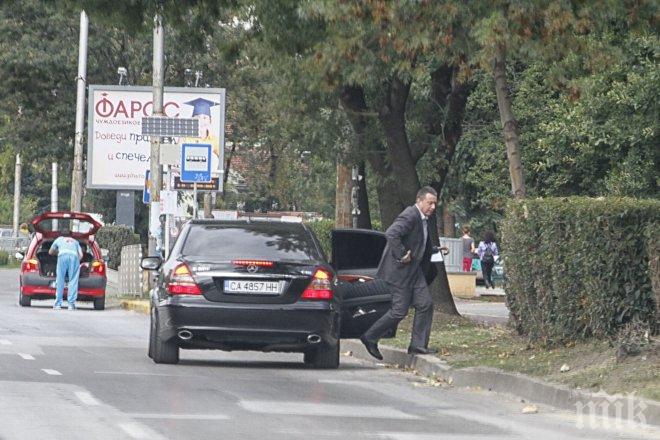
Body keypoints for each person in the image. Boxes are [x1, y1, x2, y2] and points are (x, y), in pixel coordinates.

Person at [360, 186, 439, 360]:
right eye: (430, 203)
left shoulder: (423, 218)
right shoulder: (410, 214)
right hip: (400, 271)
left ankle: (418, 345)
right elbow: (391, 233)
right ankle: (370, 336)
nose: (433, 207)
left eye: (435, 204)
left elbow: (418, 242)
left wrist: (434, 249)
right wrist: (402, 254)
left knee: (425, 304)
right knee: (399, 311)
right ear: (419, 201)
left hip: (414, 271)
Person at [49, 228, 83, 310]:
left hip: (62, 256)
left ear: (61, 234)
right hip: (74, 257)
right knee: (73, 280)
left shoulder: (58, 240)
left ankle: (58, 304)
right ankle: (71, 305)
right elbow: (81, 255)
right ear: (71, 234)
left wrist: (58, 252)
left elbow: (50, 252)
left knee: (60, 279)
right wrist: (76, 263)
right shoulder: (75, 241)